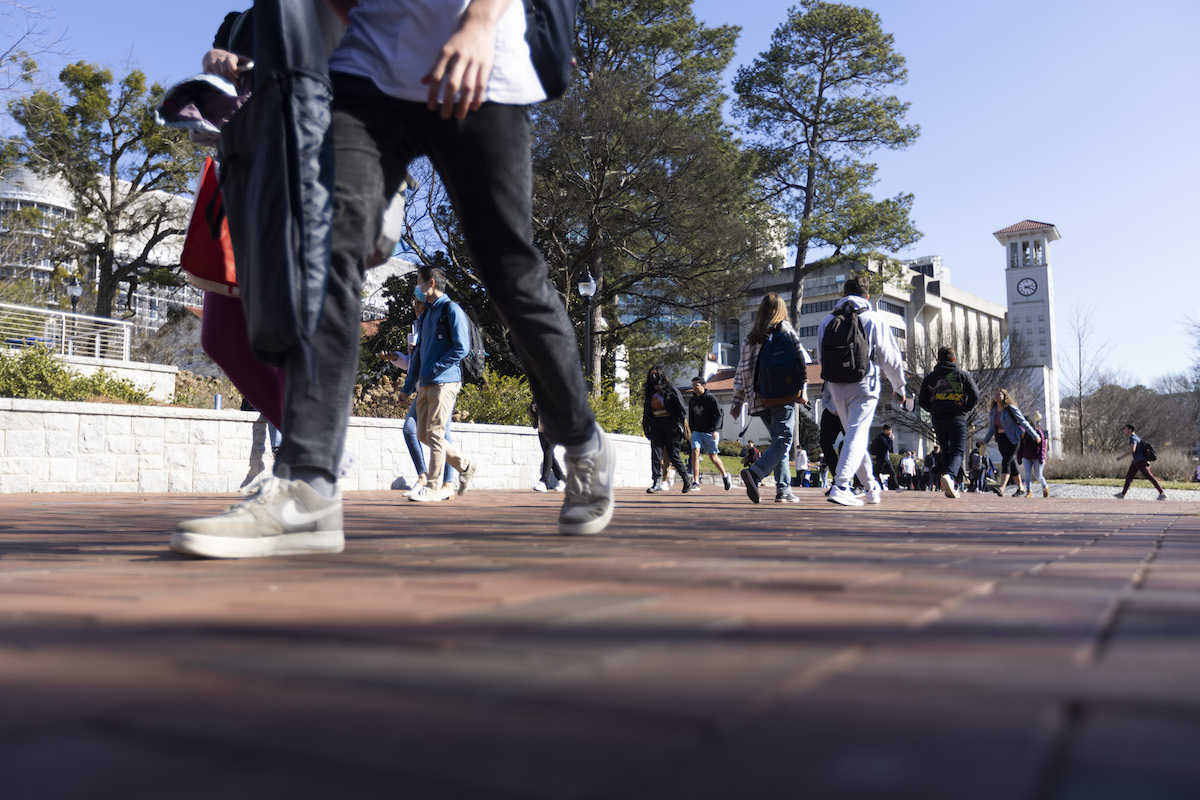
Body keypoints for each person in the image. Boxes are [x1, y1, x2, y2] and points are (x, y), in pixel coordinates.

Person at [173, 1, 616, 556]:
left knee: (510, 274)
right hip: (367, 70)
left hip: (481, 66)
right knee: (325, 244)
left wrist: (479, 24)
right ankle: (308, 486)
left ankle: (582, 441)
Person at [817, 277, 906, 507]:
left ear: (843, 294)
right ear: (867, 296)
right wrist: (899, 386)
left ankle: (870, 488)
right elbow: (890, 357)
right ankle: (841, 485)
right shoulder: (873, 318)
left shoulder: (827, 321)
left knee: (854, 437)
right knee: (856, 436)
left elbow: (821, 358)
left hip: (837, 387)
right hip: (865, 384)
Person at [395, 266, 480, 502]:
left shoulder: (451, 309)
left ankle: (433, 487)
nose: (417, 287)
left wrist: (435, 368)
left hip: (446, 382)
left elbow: (462, 347)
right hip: (426, 383)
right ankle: (466, 465)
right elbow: (418, 357)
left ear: (431, 283)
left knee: (434, 433)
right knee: (422, 433)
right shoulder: (427, 315)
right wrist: (406, 388)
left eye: (419, 282)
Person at [731, 293, 810, 504]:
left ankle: (783, 490)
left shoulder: (751, 337)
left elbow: (741, 372)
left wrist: (737, 402)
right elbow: (800, 360)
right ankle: (756, 473)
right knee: (784, 441)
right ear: (781, 309)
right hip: (783, 394)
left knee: (778, 442)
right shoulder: (785, 329)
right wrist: (803, 390)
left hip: (760, 399)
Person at [378, 297, 455, 497]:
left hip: (442, 385)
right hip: (422, 389)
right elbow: (414, 364)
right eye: (413, 304)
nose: (416, 307)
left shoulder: (440, 322)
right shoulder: (416, 327)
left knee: (442, 434)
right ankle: (422, 476)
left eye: (419, 303)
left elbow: (455, 350)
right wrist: (396, 358)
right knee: (410, 430)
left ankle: (448, 482)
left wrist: (433, 368)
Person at [918, 346, 980, 498]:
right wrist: (965, 408)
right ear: (954, 359)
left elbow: (922, 401)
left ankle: (950, 484)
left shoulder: (930, 378)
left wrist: (933, 409)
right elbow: (975, 394)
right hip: (957, 416)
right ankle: (950, 476)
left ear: (937, 360)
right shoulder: (961, 375)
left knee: (945, 449)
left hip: (938, 418)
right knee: (958, 451)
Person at [981, 388, 1040, 497]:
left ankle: (1001, 488)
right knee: (1011, 464)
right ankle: (1021, 488)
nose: (997, 395)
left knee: (1006, 461)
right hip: (1001, 439)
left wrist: (1034, 435)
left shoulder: (1010, 408)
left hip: (1013, 439)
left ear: (1004, 396)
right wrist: (985, 441)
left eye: (999, 394)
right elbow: (992, 428)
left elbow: (1023, 422)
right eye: (995, 394)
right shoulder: (993, 410)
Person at [642, 366, 692, 494]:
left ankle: (686, 478)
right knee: (656, 454)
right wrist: (646, 426)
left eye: (657, 374)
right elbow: (647, 411)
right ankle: (656, 482)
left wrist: (679, 424)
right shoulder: (650, 393)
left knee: (673, 455)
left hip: (671, 425)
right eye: (652, 374)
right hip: (656, 425)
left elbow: (681, 409)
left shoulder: (671, 390)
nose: (654, 377)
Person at [688, 376, 731, 491]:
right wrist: (691, 431)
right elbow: (691, 417)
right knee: (695, 452)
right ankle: (696, 481)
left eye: (696, 385)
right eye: (692, 385)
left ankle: (725, 475)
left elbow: (718, 415)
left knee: (713, 457)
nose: (694, 387)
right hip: (697, 431)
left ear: (703, 385)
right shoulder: (692, 400)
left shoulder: (711, 399)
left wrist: (715, 430)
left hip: (710, 431)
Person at [1114, 424, 1167, 500]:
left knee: (1149, 476)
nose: (1124, 431)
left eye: (1125, 429)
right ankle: (1122, 494)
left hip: (1140, 461)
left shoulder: (1133, 438)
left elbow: (1133, 450)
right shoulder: (1137, 437)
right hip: (1136, 461)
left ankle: (1162, 493)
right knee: (1129, 476)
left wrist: (1121, 457)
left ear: (1129, 430)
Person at [530, 401, 565, 492]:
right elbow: (532, 408)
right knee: (549, 454)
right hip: (542, 427)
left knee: (548, 451)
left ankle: (544, 481)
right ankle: (562, 479)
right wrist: (533, 409)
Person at [1017, 413, 1049, 498]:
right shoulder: (1022, 435)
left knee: (1038, 475)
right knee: (1027, 474)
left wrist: (1042, 457)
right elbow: (1021, 446)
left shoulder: (1038, 432)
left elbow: (1042, 446)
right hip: (1026, 457)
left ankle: (1045, 486)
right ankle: (1029, 491)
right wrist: (1019, 457)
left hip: (1037, 457)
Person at [869, 425, 894, 491]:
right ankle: (876, 485)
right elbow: (887, 447)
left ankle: (895, 486)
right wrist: (891, 440)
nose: (890, 432)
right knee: (877, 472)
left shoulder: (886, 437)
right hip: (881, 458)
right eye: (889, 430)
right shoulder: (881, 438)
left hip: (886, 458)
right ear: (885, 430)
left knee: (892, 472)